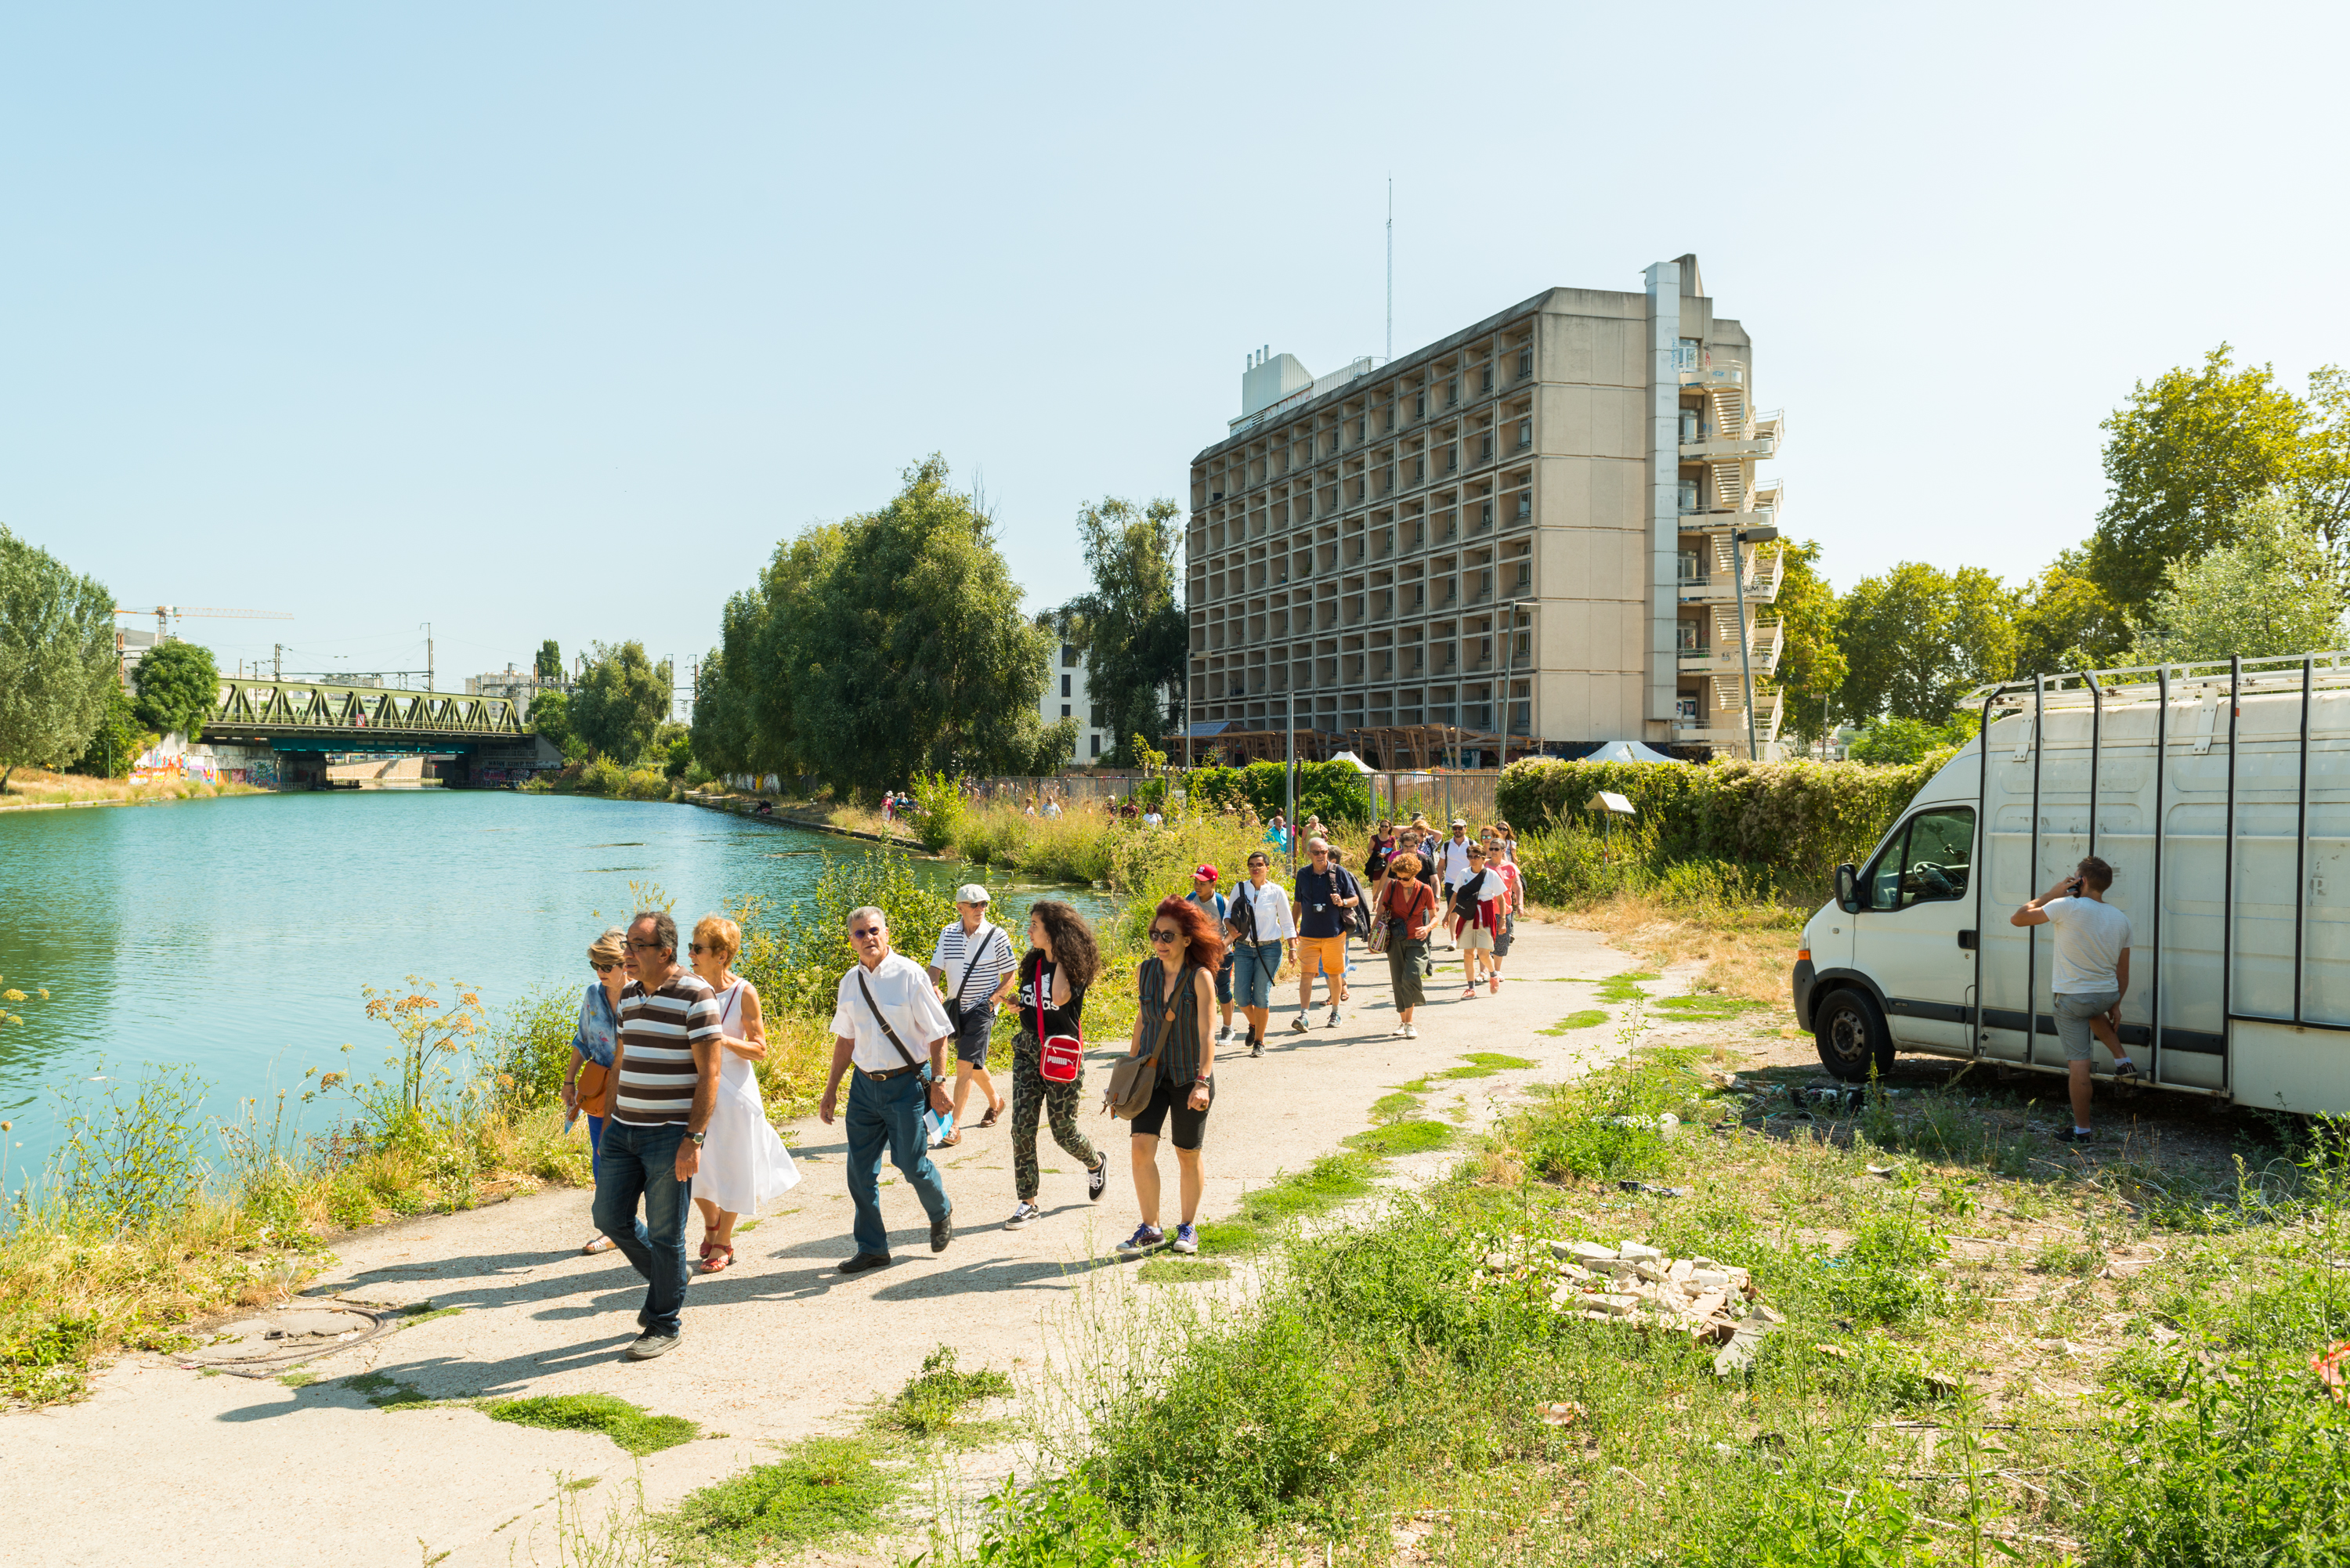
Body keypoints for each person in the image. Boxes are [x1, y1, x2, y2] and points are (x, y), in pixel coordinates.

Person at [593, 911, 722, 1361]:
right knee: (609, 1218)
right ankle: (672, 1282)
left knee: (667, 1235)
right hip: (624, 1129)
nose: (625, 954)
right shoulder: (628, 994)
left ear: (664, 952)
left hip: (669, 1135)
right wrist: (610, 1122)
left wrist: (695, 1139)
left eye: (635, 946)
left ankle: (665, 1322)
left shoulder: (696, 996)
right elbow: (622, 1061)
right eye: (627, 945)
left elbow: (711, 1074)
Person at [819, 907, 957, 1271]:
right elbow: (845, 1040)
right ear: (851, 941)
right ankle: (873, 1248)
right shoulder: (850, 981)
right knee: (859, 1172)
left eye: (874, 931)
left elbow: (939, 1033)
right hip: (864, 1088)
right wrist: (831, 1089)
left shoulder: (910, 975)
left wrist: (939, 1084)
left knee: (911, 1164)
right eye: (860, 934)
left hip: (906, 1086)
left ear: (887, 932)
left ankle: (940, 1209)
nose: (868, 939)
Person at [1110, 896, 1223, 1257]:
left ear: (1187, 939)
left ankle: (1187, 1227)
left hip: (1191, 1076)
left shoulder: (1200, 977)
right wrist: (1124, 1079)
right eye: (1155, 935)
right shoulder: (1146, 971)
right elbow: (1143, 1021)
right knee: (1141, 1148)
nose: (1160, 942)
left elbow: (1208, 1032)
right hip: (1152, 1075)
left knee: (1186, 1152)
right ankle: (1151, 1229)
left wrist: (1203, 1081)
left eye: (1168, 936)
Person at [685, 915, 798, 1274]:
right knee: (695, 1167)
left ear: (721, 955)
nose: (691, 953)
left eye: (697, 948)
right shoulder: (686, 987)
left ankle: (724, 1240)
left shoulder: (742, 992)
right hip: (694, 1086)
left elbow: (760, 1048)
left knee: (734, 1165)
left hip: (734, 1091)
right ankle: (710, 1223)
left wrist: (720, 1037)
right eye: (691, 946)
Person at [2010, 857, 2136, 1143]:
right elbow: (2123, 971)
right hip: (2106, 995)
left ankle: (2082, 1131)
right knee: (2093, 1009)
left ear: (2083, 881)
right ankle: (2122, 1060)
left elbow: (2018, 918)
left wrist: (2051, 894)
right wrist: (2116, 1004)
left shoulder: (2066, 905)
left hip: (2074, 999)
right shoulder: (2121, 919)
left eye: (2075, 878)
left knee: (2079, 1066)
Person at [1003, 901, 1111, 1228]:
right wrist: (1016, 1004)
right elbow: (1032, 1001)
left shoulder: (1074, 966)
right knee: (1021, 1129)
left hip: (1061, 1054)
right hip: (1027, 1049)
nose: (1029, 930)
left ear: (1054, 930)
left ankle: (1095, 1163)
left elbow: (1061, 997)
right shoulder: (1033, 962)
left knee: (1063, 1132)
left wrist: (1061, 954)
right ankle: (1028, 1203)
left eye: (1035, 925)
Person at [927, 885, 1016, 1147]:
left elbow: (1009, 976)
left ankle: (953, 1126)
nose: (981, 909)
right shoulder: (948, 934)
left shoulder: (997, 936)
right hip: (955, 1007)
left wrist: (992, 1001)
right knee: (974, 1064)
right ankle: (996, 1102)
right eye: (974, 905)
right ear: (960, 907)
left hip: (983, 1008)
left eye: (984, 904)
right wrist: (933, 986)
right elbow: (934, 970)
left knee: (964, 1065)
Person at [562, 927, 628, 1255]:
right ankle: (611, 1229)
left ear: (625, 964)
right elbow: (583, 1041)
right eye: (596, 966)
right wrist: (569, 1081)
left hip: (638, 1088)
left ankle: (650, 1228)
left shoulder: (644, 995)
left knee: (646, 1161)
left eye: (606, 966)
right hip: (601, 1091)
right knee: (602, 1155)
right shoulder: (593, 994)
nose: (600, 973)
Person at [1224, 849, 1296, 1057]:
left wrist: (1292, 947)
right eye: (1251, 865)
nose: (1255, 868)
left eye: (1259, 865)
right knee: (1241, 996)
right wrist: (1229, 926)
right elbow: (1228, 914)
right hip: (1244, 948)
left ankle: (1259, 1042)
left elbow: (1287, 921)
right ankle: (1254, 1024)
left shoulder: (1276, 891)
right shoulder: (1240, 888)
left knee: (1261, 997)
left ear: (1267, 868)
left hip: (1269, 949)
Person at [1288, 837, 1360, 1032]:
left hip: (1334, 933)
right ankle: (1304, 1015)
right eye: (1317, 852)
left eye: (1324, 852)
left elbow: (1354, 899)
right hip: (1308, 934)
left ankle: (1335, 1012)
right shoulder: (1303, 874)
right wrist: (1293, 928)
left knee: (1334, 974)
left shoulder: (1339, 872)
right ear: (1308, 854)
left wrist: (1342, 902)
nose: (1321, 855)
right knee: (1306, 975)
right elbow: (1297, 904)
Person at [1379, 850, 1438, 1037]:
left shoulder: (1425, 890)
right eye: (1398, 877)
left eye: (1405, 878)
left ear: (1414, 874)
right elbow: (1382, 912)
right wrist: (1374, 936)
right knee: (1398, 981)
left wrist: (1427, 928)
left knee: (1411, 976)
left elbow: (1435, 917)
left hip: (1417, 940)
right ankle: (1403, 1022)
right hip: (1395, 940)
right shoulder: (1393, 886)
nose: (1400, 881)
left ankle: (1410, 1022)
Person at [1449, 843, 1508, 996]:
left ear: (1484, 858)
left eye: (1477, 857)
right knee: (1468, 954)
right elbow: (1455, 895)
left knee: (1483, 954)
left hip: (1485, 919)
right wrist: (1446, 915)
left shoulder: (1491, 875)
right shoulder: (1464, 874)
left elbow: (1501, 900)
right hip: (1467, 917)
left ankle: (1493, 974)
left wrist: (1503, 920)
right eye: (1470, 857)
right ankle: (1471, 988)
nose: (1473, 860)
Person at [1187, 865, 1237, 1042]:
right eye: (1195, 881)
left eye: (1202, 882)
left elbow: (1234, 931)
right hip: (1198, 954)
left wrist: (1220, 947)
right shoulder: (1190, 899)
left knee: (1222, 990)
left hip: (1222, 954)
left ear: (1213, 884)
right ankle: (1198, 1029)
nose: (1197, 886)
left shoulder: (1223, 902)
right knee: (1196, 991)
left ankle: (1228, 1028)